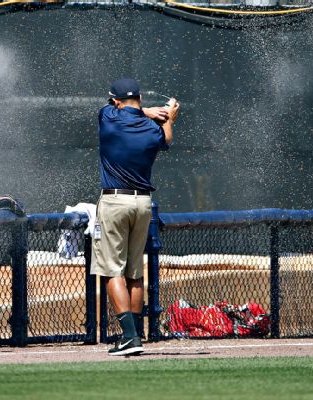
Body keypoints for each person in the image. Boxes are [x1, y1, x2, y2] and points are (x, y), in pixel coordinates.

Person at [92, 78, 179, 356]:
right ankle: (136, 335)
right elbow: (166, 139)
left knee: (111, 270)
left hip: (114, 200)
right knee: (134, 273)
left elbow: (113, 108)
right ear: (140, 99)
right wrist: (168, 117)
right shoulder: (153, 129)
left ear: (116, 101)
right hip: (143, 202)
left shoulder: (108, 117)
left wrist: (148, 110)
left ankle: (129, 336)